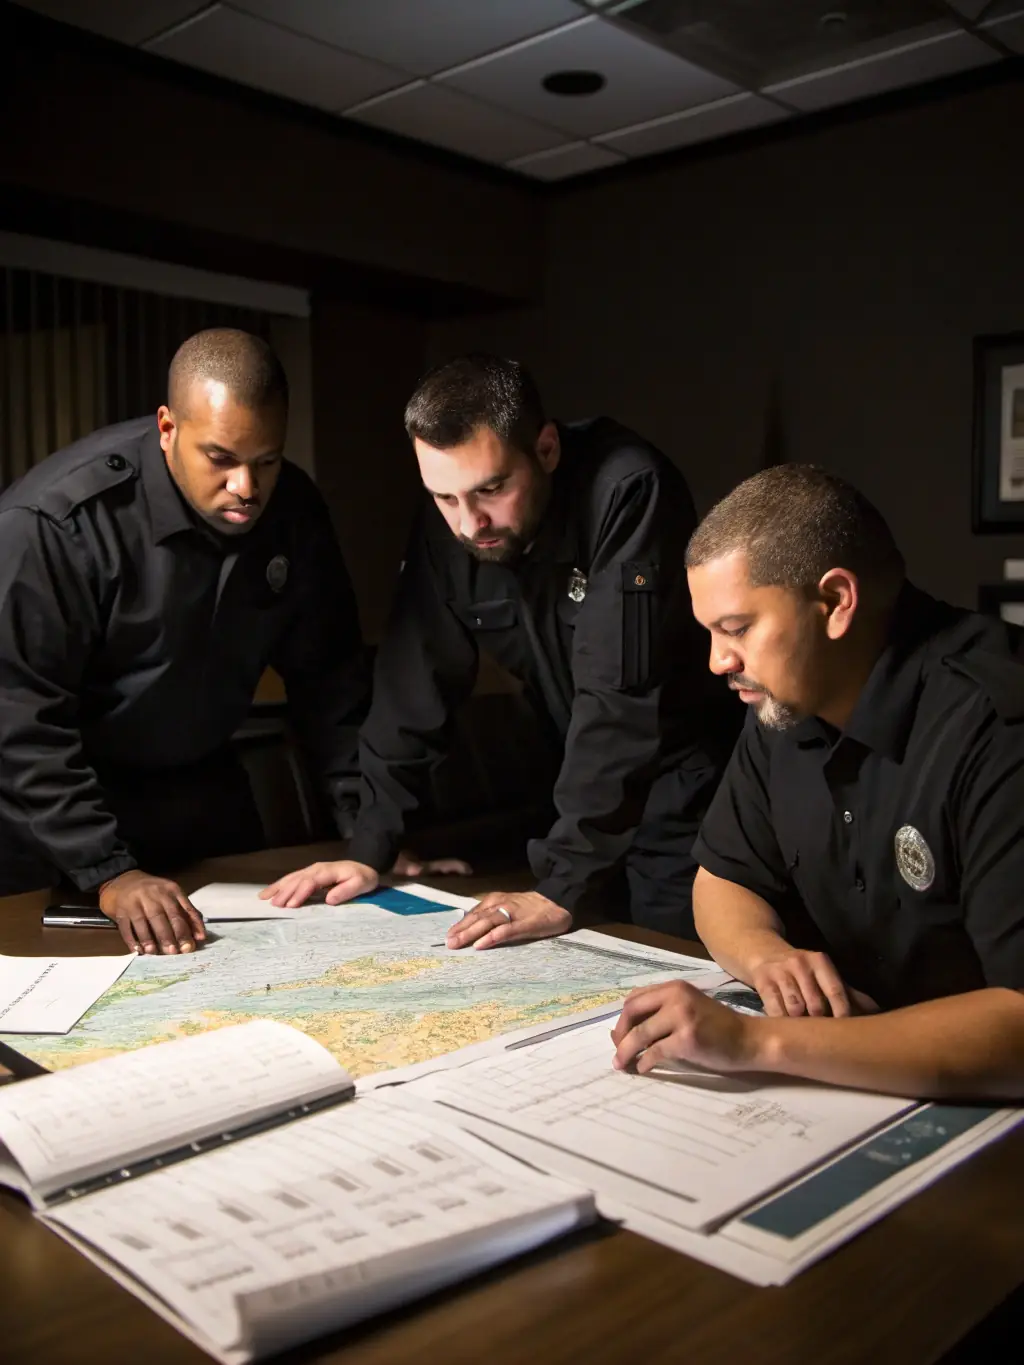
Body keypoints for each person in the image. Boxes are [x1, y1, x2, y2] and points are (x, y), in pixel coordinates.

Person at [264, 354, 740, 941]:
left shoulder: (629, 487)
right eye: (444, 498)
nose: (470, 524)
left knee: (677, 986)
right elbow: (410, 687)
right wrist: (371, 846)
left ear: (544, 450)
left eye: (492, 488)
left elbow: (621, 699)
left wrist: (560, 882)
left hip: (685, 797)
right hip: (578, 793)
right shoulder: (454, 519)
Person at [611, 464, 1024, 1100]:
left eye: (737, 628)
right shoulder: (785, 699)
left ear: (834, 603)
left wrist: (754, 1043)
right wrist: (764, 956)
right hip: (856, 1087)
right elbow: (721, 879)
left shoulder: (999, 726)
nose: (718, 661)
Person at [0, 329, 368, 956]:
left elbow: (331, 683)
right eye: (221, 458)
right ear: (167, 427)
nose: (248, 487)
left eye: (268, 460)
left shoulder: (294, 510)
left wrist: (372, 834)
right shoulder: (58, 525)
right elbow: (17, 715)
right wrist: (108, 871)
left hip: (202, 789)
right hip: (58, 807)